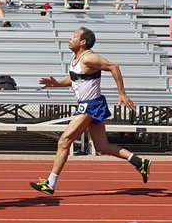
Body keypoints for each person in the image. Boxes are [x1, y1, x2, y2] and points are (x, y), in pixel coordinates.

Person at [29, 27, 151, 195]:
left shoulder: (89, 58)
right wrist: (56, 84)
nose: (70, 39)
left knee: (64, 141)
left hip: (90, 105)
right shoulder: (76, 58)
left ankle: (50, 184)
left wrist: (122, 93)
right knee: (102, 146)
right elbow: (74, 80)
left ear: (83, 42)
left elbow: (113, 67)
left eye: (74, 37)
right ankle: (138, 162)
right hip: (91, 104)